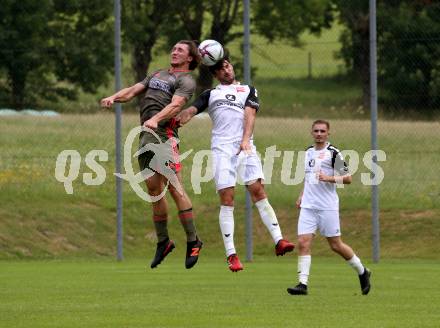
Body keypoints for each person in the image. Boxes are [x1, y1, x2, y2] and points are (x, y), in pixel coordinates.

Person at [177, 56, 295, 272]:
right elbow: (192, 110)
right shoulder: (211, 94)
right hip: (222, 150)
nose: (226, 70)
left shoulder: (248, 90)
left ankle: (279, 241)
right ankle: (231, 254)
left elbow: (250, 114)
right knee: (227, 199)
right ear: (215, 75)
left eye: (227, 66)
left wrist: (244, 140)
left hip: (246, 146)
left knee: (258, 191)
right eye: (221, 69)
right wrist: (179, 117)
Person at [100, 40, 203, 269]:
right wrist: (113, 97)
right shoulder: (157, 73)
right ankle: (164, 241)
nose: (174, 51)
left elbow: (176, 105)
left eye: (180, 50)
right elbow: (133, 91)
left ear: (190, 59)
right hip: (146, 136)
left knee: (175, 188)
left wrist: (156, 119)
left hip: (164, 137)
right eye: (174, 48)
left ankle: (193, 240)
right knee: (154, 191)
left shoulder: (185, 80)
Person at [287, 120, 371, 295]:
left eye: (322, 131)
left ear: (328, 134)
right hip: (308, 206)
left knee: (335, 245)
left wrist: (328, 178)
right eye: (316, 131)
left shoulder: (333, 153)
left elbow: (348, 178)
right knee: (303, 243)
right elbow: (308, 177)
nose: (319, 134)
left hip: (327, 206)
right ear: (312, 132)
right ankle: (302, 284)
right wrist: (302, 195)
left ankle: (362, 271)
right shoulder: (308, 152)